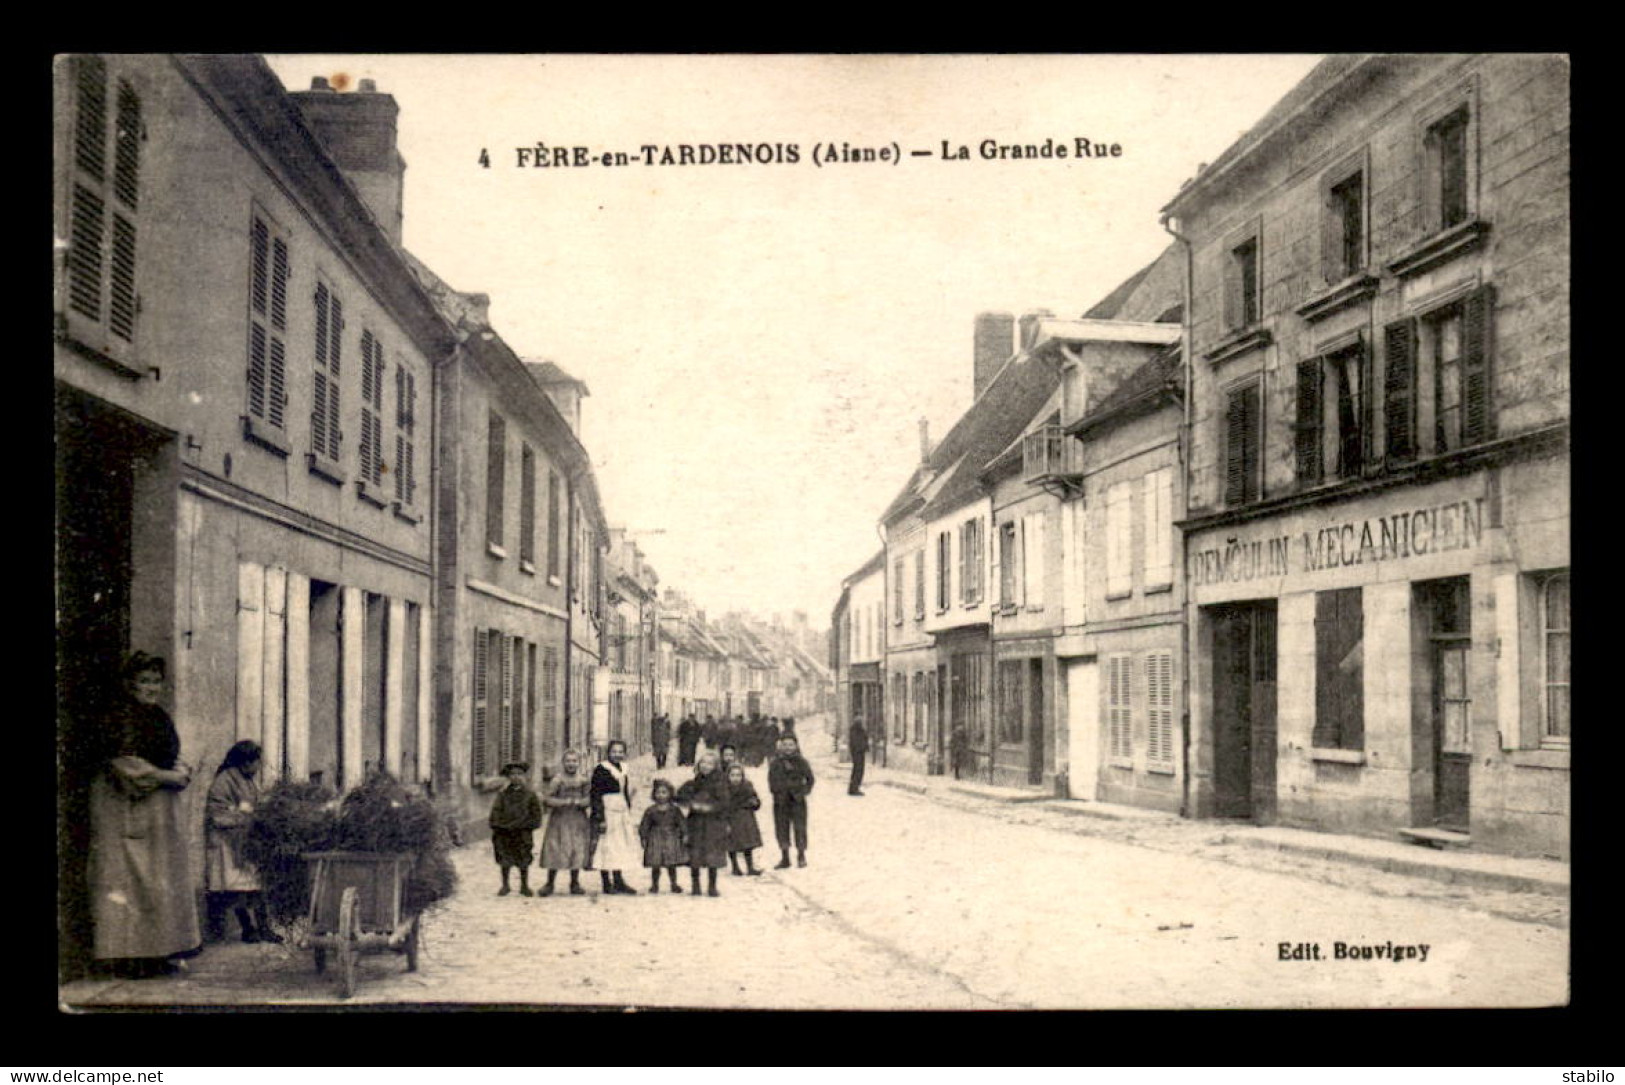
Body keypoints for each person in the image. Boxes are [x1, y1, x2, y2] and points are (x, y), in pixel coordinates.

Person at [88, 652, 201, 977]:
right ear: (129, 684)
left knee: (158, 882)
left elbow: (173, 756)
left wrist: (182, 769)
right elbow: (124, 767)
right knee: (131, 882)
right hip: (124, 810)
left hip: (158, 814)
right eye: (144, 681)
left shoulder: (159, 717)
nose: (152, 688)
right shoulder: (117, 718)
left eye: (156, 681)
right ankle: (128, 957)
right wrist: (169, 777)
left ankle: (156, 953)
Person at [204, 739, 283, 943]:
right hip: (227, 844)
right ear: (244, 762)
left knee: (255, 885)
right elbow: (217, 815)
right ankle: (247, 928)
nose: (258, 767)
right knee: (237, 889)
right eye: (256, 762)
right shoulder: (224, 781)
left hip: (244, 841)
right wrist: (244, 814)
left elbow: (252, 805)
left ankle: (262, 928)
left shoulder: (247, 780)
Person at [589, 740, 640, 895]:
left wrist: (627, 808)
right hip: (607, 811)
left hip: (620, 811)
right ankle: (606, 882)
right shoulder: (601, 769)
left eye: (620, 752)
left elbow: (624, 790)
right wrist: (600, 817)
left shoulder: (624, 768)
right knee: (607, 847)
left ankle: (618, 880)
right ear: (608, 753)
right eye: (614, 751)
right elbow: (595, 794)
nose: (617, 755)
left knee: (620, 846)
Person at [539, 750, 592, 896]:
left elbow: (589, 799)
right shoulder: (557, 780)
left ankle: (574, 882)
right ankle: (550, 883)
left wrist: (581, 802)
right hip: (560, 820)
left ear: (578, 763)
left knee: (577, 849)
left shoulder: (583, 780)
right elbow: (547, 799)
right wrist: (563, 802)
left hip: (578, 819)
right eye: (568, 761)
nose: (571, 764)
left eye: (574, 761)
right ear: (563, 763)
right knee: (555, 848)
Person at [676, 752, 729, 897]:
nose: (706, 766)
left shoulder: (720, 783)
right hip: (696, 823)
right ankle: (695, 885)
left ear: (716, 767)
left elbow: (725, 803)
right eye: (703, 763)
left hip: (713, 823)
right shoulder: (694, 782)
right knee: (695, 854)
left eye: (710, 763)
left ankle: (712, 886)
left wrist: (709, 808)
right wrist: (690, 803)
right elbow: (680, 796)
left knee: (713, 854)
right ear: (698, 765)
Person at [488, 761, 543, 897]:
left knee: (523, 858)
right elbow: (495, 812)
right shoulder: (502, 795)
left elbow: (536, 815)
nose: (516, 777)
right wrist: (499, 825)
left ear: (525, 776)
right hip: (504, 833)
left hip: (522, 832)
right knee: (504, 858)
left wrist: (527, 825)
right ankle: (505, 885)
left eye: (520, 774)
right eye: (512, 774)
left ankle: (524, 886)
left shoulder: (530, 795)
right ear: (508, 777)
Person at [768, 733, 815, 869]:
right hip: (781, 801)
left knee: (800, 828)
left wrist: (803, 792)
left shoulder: (801, 762)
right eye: (785, 745)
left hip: (797, 801)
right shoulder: (775, 762)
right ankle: (785, 857)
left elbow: (810, 779)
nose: (788, 748)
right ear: (780, 746)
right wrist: (777, 792)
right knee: (782, 828)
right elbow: (771, 780)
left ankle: (801, 855)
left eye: (791, 745)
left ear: (796, 746)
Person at [638, 778, 688, 893]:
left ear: (670, 794)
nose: (661, 795)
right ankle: (654, 885)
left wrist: (685, 834)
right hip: (655, 838)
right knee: (655, 864)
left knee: (671, 863)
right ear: (654, 794)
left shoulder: (675, 810)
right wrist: (643, 837)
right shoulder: (650, 810)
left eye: (664, 792)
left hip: (671, 837)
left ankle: (674, 884)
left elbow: (681, 822)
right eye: (658, 792)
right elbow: (645, 825)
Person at [725, 765, 764, 876]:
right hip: (731, 818)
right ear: (727, 776)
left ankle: (750, 867)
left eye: (738, 775)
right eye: (732, 775)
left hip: (746, 818)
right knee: (731, 843)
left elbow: (755, 799)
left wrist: (754, 802)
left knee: (748, 843)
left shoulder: (747, 787)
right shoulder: (723, 789)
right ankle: (735, 866)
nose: (736, 778)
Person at [847, 717, 869, 797]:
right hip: (858, 754)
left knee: (857, 771)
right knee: (858, 771)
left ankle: (853, 788)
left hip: (858, 753)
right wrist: (863, 747)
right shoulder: (856, 732)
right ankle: (854, 788)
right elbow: (856, 743)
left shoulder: (857, 731)